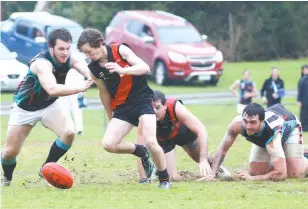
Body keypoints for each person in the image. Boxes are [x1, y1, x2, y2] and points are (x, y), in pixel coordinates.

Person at [77, 28, 171, 189]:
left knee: (150, 141)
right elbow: (104, 92)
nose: (88, 56)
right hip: (122, 107)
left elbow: (145, 67)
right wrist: (110, 116)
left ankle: (164, 179)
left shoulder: (119, 50)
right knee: (109, 144)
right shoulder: (94, 68)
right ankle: (140, 151)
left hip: (143, 101)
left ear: (100, 43)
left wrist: (123, 70)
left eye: (90, 51)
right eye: (85, 53)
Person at [1, 28, 94, 186]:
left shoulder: (71, 59)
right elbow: (52, 89)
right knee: (10, 152)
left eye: (67, 48)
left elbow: (88, 71)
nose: (65, 53)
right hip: (24, 108)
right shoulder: (42, 63)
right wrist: (80, 87)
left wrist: (96, 76)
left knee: (69, 132)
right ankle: (7, 179)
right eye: (61, 49)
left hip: (50, 105)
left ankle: (46, 169)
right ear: (51, 48)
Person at [136, 90, 230, 183]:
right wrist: (143, 178)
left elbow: (201, 130)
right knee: (172, 177)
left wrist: (203, 159)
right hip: (164, 140)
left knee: (197, 157)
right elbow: (140, 148)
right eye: (151, 108)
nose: (154, 112)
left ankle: (215, 166)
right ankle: (159, 167)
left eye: (158, 107)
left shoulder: (175, 107)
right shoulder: (145, 117)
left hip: (183, 132)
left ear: (165, 106)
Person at [202, 103, 308, 181]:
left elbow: (281, 174)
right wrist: (212, 173)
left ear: (262, 122)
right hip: (266, 138)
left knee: (294, 174)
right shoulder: (237, 124)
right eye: (245, 121)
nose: (248, 126)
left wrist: (252, 179)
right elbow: (222, 149)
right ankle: (282, 157)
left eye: (252, 123)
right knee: (256, 172)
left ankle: (304, 155)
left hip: (289, 129)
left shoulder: (271, 134)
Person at [58, 68, 86, 135]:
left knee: (76, 109)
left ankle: (79, 129)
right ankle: (70, 128)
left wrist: (82, 91)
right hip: (64, 90)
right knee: (65, 110)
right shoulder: (60, 65)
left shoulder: (74, 65)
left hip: (74, 90)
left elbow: (81, 77)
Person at [297, 64, 308, 132]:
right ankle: (304, 127)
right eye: (304, 70)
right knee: (303, 114)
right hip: (304, 101)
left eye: (306, 69)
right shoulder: (302, 79)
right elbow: (299, 91)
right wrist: (299, 100)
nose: (305, 71)